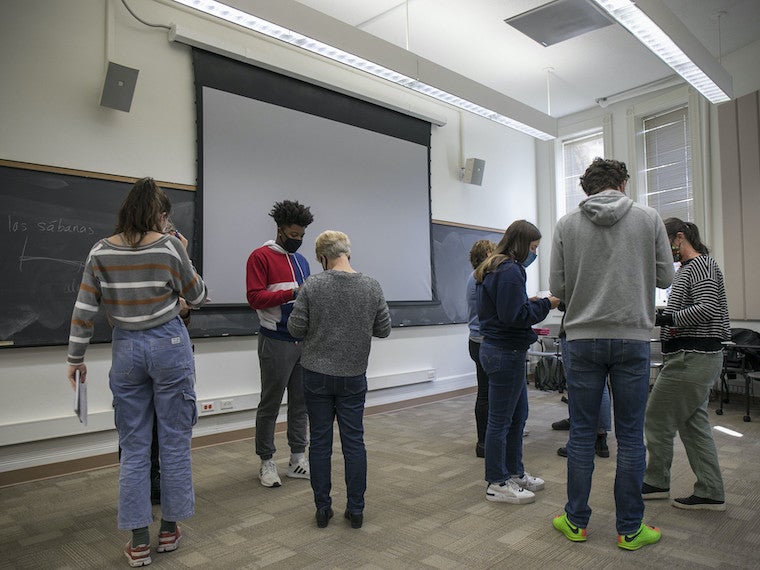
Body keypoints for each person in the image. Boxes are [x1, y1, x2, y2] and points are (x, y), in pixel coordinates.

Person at [66, 177, 208, 567]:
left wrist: (75, 360)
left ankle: (139, 540)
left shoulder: (100, 250)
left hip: (125, 349)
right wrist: (179, 251)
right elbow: (198, 295)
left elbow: (84, 311)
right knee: (175, 442)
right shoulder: (168, 245)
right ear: (160, 214)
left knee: (134, 446)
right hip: (169, 347)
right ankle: (169, 531)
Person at [549, 157, 674, 550]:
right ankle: (631, 529)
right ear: (622, 184)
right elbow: (667, 277)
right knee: (631, 436)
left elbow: (558, 286)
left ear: (587, 189)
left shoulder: (567, 224)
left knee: (584, 433)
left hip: (582, 338)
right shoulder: (649, 218)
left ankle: (576, 521)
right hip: (632, 336)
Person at [287, 230, 391, 529]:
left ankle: (323, 508)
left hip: (316, 375)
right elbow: (383, 329)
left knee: (319, 442)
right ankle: (356, 510)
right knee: (354, 442)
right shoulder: (371, 286)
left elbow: (295, 328)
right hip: (353, 375)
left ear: (322, 258)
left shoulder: (312, 285)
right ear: (348, 253)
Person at [642, 218, 730, 510]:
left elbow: (707, 308)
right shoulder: (688, 270)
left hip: (693, 357)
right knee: (694, 426)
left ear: (680, 237)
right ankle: (710, 490)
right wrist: (662, 312)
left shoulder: (701, 265)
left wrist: (667, 318)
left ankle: (655, 482)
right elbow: (690, 307)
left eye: (666, 244)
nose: (664, 251)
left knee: (656, 418)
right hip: (692, 355)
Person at [475, 220, 560, 504]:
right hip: (504, 352)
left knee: (517, 416)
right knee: (501, 421)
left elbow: (507, 309)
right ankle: (497, 482)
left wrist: (530, 302)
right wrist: (547, 303)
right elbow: (515, 316)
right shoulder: (510, 270)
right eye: (533, 248)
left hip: (500, 349)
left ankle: (513, 472)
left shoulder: (495, 267)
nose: (534, 253)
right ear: (522, 244)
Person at [246, 200, 314, 488]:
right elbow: (255, 298)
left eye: (301, 236)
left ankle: (298, 458)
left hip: (303, 342)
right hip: (275, 340)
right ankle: (266, 461)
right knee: (270, 404)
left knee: (300, 404)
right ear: (280, 229)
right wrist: (293, 291)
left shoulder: (302, 261)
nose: (297, 240)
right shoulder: (259, 257)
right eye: (293, 234)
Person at [466, 239, 496, 458]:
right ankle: (490, 441)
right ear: (487, 253)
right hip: (488, 342)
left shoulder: (472, 275)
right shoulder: (485, 276)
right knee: (491, 394)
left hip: (475, 341)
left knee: (484, 393)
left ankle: (483, 442)